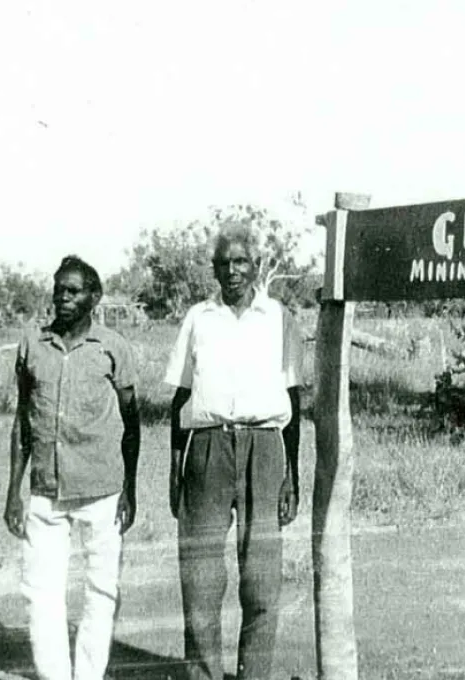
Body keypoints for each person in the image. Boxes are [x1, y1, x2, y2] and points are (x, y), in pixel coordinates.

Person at [164, 223, 304, 680]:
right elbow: (180, 397)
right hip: (206, 448)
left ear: (256, 265)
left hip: (264, 447)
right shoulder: (198, 318)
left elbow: (294, 401)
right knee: (200, 577)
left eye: (241, 261)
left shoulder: (279, 318)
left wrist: (292, 475)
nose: (232, 271)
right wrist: (174, 467)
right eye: (224, 263)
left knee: (262, 580)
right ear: (214, 269)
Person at [4, 255, 141, 680]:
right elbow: (23, 421)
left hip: (102, 492)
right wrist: (14, 491)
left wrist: (130, 489)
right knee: (41, 594)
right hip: (45, 491)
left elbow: (132, 422)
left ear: (94, 298)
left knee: (100, 591)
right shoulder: (33, 345)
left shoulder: (112, 347)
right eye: (58, 289)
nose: (62, 297)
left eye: (73, 290)